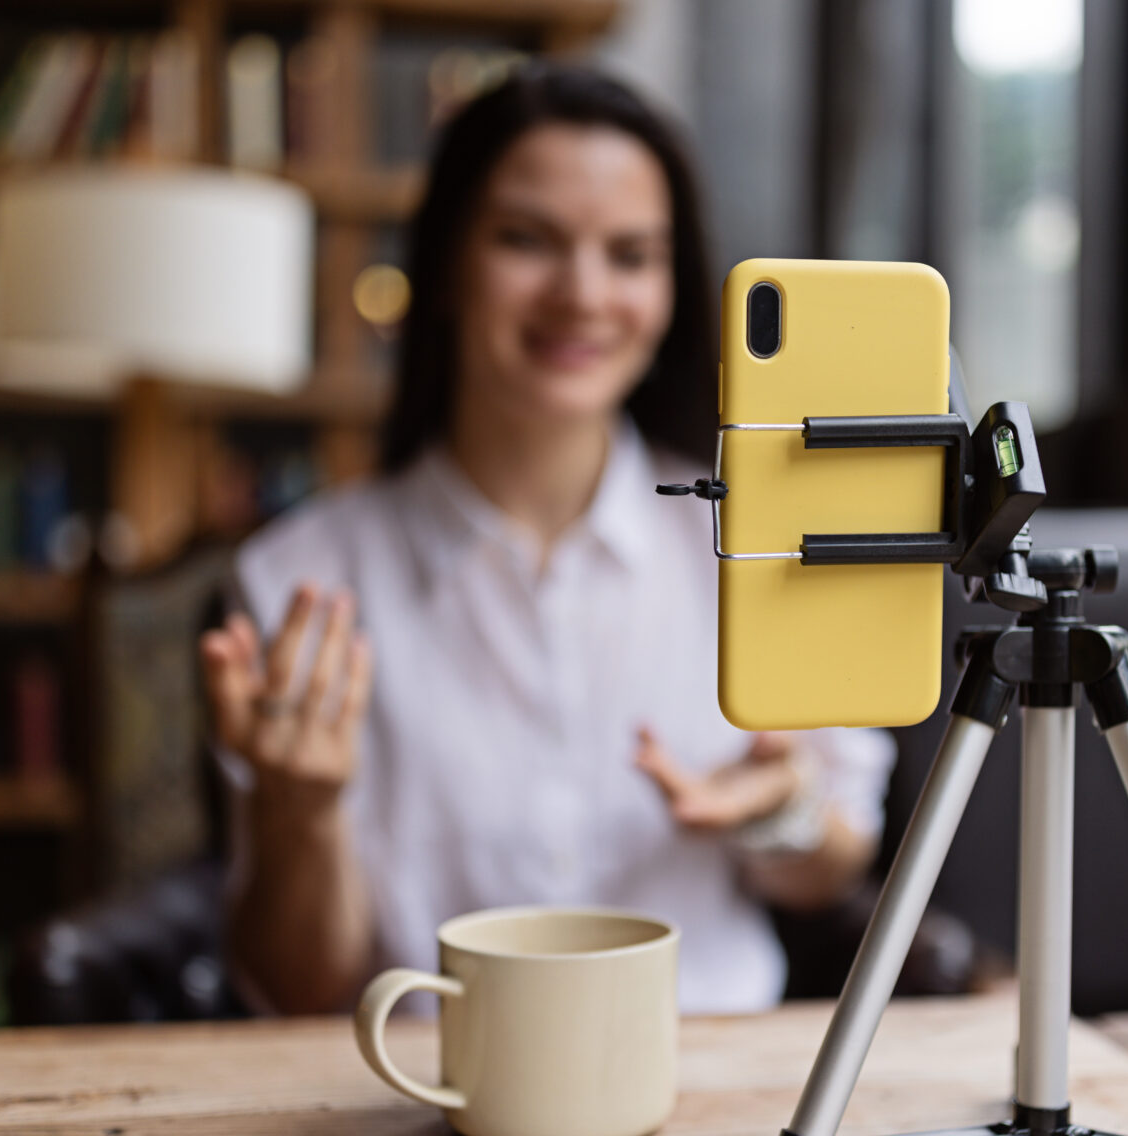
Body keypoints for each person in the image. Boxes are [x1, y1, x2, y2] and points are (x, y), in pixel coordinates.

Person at [198, 64, 894, 1017]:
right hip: (428, 1100)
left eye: (631, 255)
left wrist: (781, 814)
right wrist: (302, 814)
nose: (583, 294)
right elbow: (300, 987)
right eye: (527, 240)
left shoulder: (762, 542)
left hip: (719, 1089)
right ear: (445, 263)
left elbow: (834, 865)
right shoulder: (301, 580)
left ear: (673, 287)